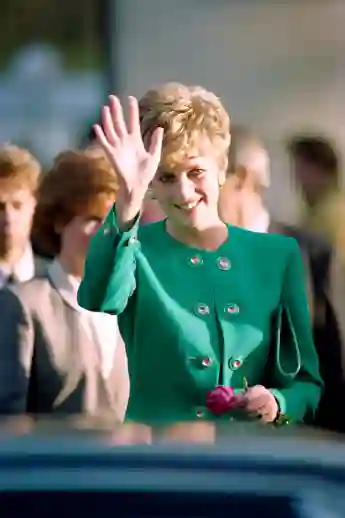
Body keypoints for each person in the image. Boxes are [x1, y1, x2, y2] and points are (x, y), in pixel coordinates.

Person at [77, 82, 323, 425]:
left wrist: (277, 402)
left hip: (250, 462)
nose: (184, 190)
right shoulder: (134, 248)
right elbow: (99, 297)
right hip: (163, 464)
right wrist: (128, 198)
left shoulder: (277, 255)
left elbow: (307, 385)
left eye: (196, 172)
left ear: (222, 169)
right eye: (166, 177)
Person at [219, 125, 345, 432]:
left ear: (243, 178)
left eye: (203, 177)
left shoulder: (312, 256)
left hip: (299, 456)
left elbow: (335, 364)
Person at [0, 148, 129, 424]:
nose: (105, 232)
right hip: (52, 465)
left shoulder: (130, 305)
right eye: (93, 219)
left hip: (127, 466)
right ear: (60, 221)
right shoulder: (23, 303)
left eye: (112, 220)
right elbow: (9, 422)